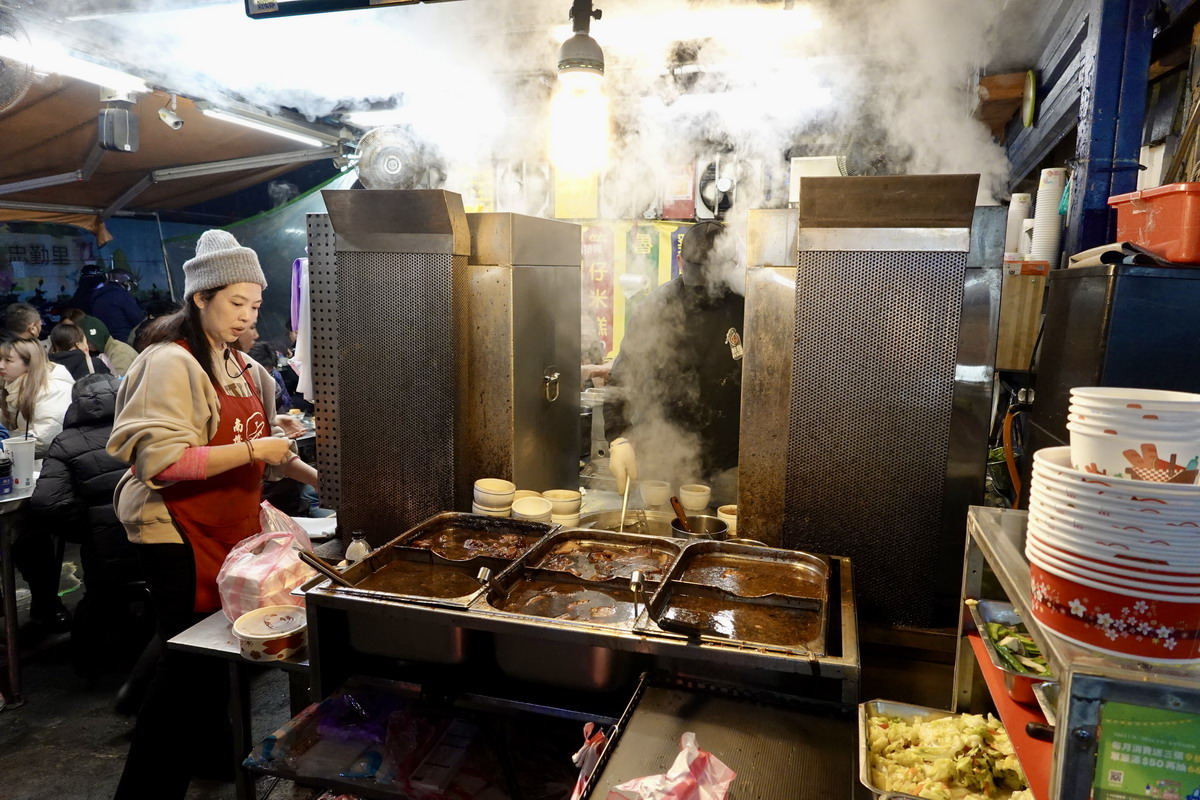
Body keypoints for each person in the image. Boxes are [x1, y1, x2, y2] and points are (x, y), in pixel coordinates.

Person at [106, 229, 318, 799]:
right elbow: (162, 460)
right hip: (174, 528)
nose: (247, 316)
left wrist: (314, 475)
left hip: (230, 527)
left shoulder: (246, 369)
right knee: (186, 669)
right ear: (200, 298)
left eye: (254, 305)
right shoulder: (169, 362)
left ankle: (212, 757)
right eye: (235, 304)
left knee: (213, 662)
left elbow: (268, 452)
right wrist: (258, 450)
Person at [603, 221, 745, 507]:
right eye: (697, 281)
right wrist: (618, 438)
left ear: (733, 264)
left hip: (730, 464)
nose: (704, 292)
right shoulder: (655, 308)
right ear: (680, 262)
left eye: (713, 281)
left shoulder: (749, 306)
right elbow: (623, 378)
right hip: (663, 456)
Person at [29, 373, 147, 679]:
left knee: (98, 597)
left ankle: (85, 667)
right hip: (156, 539)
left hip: (104, 550)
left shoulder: (65, 442)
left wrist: (86, 530)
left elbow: (47, 502)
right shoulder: (145, 429)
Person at [1, 333, 77, 630]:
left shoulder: (52, 387)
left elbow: (45, 437)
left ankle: (46, 602)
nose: (1, 366)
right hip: (25, 473)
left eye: (8, 360)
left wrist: (6, 445)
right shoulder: (12, 387)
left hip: (53, 477)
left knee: (29, 533)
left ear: (28, 364)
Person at [89, 268, 145, 344]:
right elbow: (137, 319)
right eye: (128, 283)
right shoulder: (123, 296)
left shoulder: (96, 296)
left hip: (103, 340)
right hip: (124, 339)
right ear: (124, 283)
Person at [48, 321, 112, 380]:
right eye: (85, 342)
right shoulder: (94, 364)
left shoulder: (47, 370)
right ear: (78, 344)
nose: (87, 346)